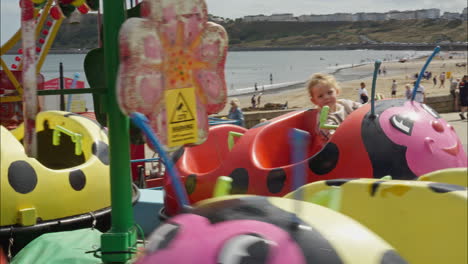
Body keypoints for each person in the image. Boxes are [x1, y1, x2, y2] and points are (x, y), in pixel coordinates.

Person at [307, 73, 361, 142]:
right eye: (320, 96)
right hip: (339, 148)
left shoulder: (344, 104)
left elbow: (362, 108)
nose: (326, 97)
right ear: (314, 101)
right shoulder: (323, 119)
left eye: (330, 92)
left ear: (337, 91)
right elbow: (333, 137)